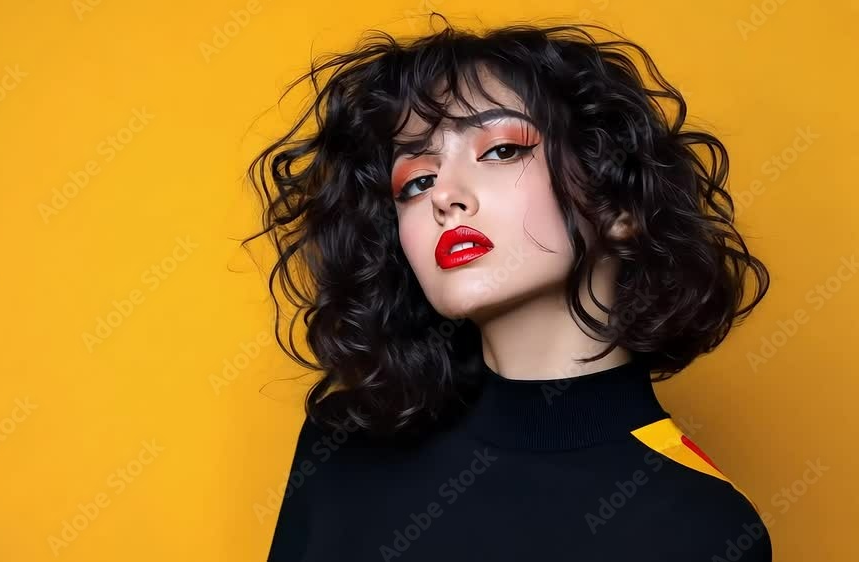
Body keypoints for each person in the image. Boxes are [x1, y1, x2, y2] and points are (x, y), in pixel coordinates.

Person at [242, 18, 772, 562]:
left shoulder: (699, 526)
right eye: (416, 181)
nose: (444, 196)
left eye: (499, 150)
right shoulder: (345, 443)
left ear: (619, 207)